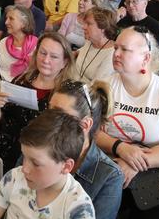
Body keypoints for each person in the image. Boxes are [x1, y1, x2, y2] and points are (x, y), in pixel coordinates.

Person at [97, 27, 159, 219]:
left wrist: (134, 162)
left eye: (125, 50)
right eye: (116, 48)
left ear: (146, 58)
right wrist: (120, 148)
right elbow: (91, 130)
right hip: (109, 163)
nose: (116, 54)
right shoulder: (103, 85)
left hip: (154, 171)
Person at [0, 109, 95, 219]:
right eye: (24, 156)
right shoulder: (14, 178)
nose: (25, 169)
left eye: (36, 163)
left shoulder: (78, 207)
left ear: (66, 166)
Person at [0, 32, 76, 170]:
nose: (46, 60)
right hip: (6, 151)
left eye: (53, 56)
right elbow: (2, 123)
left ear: (64, 62)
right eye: (42, 53)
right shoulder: (21, 80)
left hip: (39, 161)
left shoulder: (66, 94)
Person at [48, 80, 124, 219]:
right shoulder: (38, 149)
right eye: (49, 110)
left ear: (85, 124)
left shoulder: (109, 175)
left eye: (59, 114)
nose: (47, 119)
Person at [75, 7, 118, 84]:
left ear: (103, 28)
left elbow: (96, 86)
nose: (83, 27)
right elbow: (78, 52)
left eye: (89, 24)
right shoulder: (90, 42)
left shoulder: (111, 54)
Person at [0, 5, 37, 82]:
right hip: (3, 83)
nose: (6, 22)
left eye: (11, 19)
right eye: (6, 19)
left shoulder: (37, 45)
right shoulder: (3, 42)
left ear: (24, 23)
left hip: (26, 85)